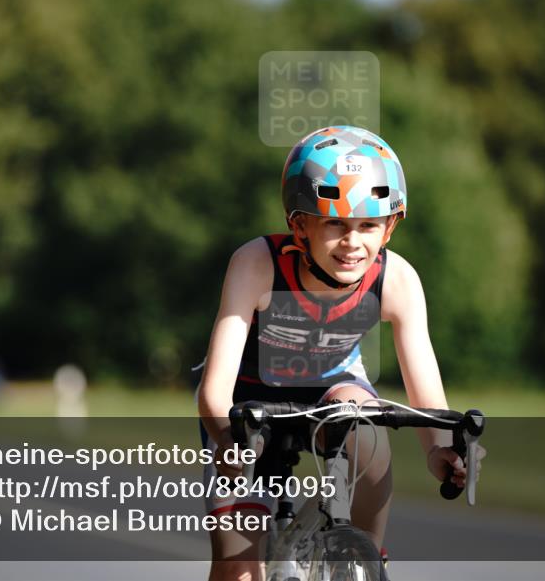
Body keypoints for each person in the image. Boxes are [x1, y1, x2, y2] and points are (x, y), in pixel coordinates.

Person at [197, 126, 475, 581]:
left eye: (368, 225)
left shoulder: (397, 279)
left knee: (366, 424)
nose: (352, 242)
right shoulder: (256, 264)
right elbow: (214, 391)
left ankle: (363, 556)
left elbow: (424, 390)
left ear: (390, 227)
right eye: (335, 224)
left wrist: (439, 449)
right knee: (238, 570)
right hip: (246, 407)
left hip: (333, 390)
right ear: (299, 224)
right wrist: (228, 443)